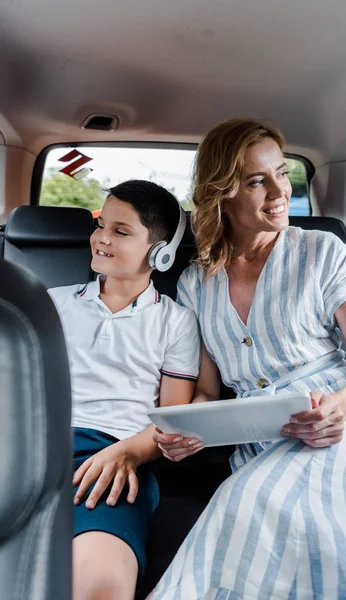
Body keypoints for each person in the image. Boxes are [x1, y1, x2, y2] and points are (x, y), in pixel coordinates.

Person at [150, 119, 346, 599]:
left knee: (259, 507)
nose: (281, 191)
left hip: (342, 423)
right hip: (259, 438)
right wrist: (184, 430)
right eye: (258, 180)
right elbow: (209, 391)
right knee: (257, 508)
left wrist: (335, 410)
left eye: (282, 172)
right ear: (221, 194)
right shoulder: (196, 283)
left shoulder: (321, 251)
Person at [48, 180, 200, 600]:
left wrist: (127, 453)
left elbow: (171, 420)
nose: (101, 237)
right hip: (32, 447)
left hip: (113, 459)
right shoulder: (51, 303)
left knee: (100, 583)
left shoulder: (176, 322)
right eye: (101, 224)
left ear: (160, 252)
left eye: (121, 231)